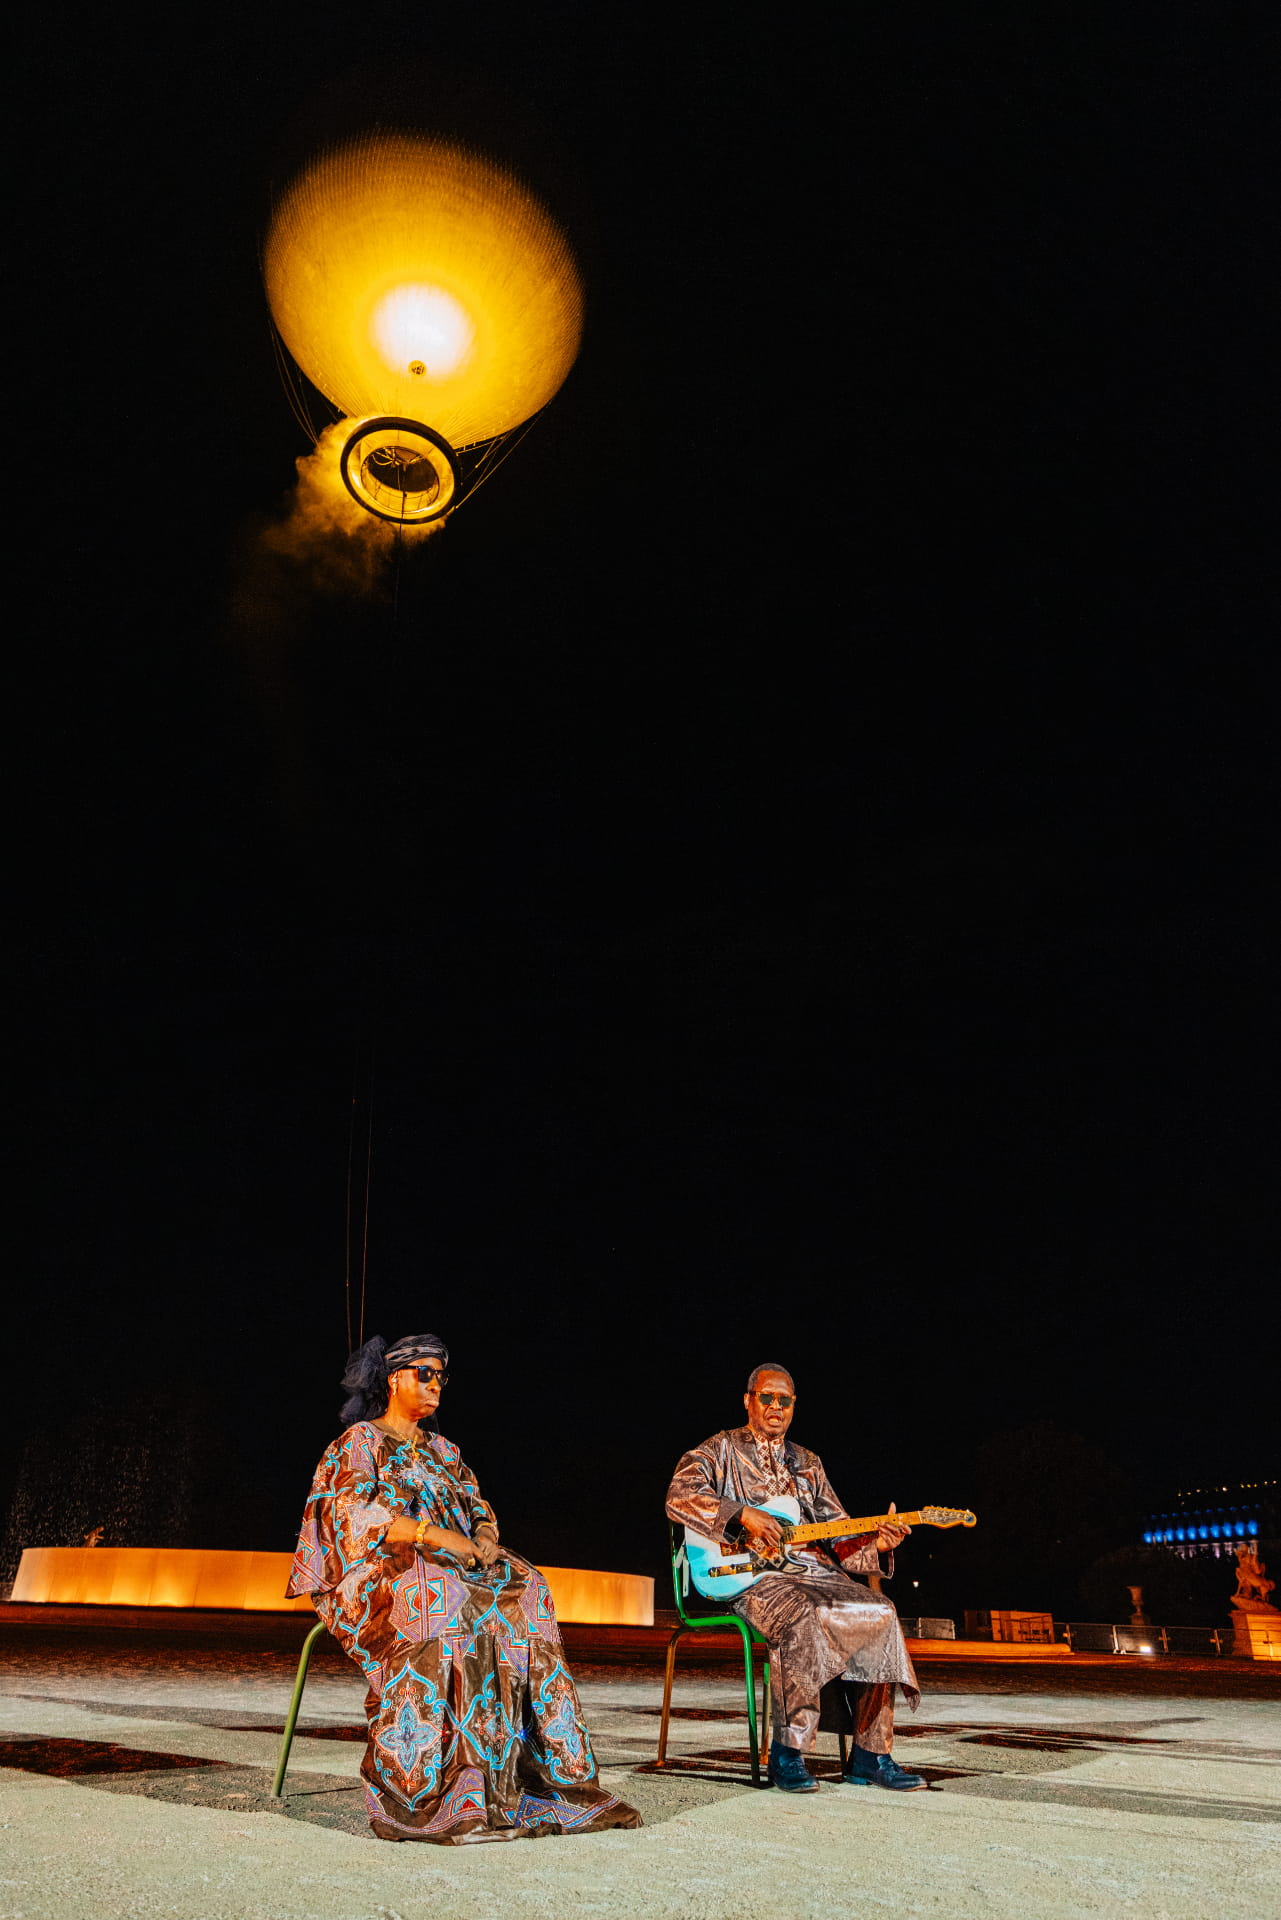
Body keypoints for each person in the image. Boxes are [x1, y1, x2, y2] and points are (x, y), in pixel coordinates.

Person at [287, 1332, 641, 1842]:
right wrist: (433, 1535)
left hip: (455, 1565)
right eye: (424, 1374)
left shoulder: (446, 1450)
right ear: (395, 1380)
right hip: (382, 1572)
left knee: (528, 1585)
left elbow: (478, 1506)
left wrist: (485, 1537)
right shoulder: (360, 1442)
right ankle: (439, 1785)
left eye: (441, 1377)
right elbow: (352, 1516)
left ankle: (533, 1776)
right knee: (446, 1597)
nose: (435, 1385)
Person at [665, 1362, 925, 1792]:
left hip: (811, 1571)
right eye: (766, 1397)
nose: (775, 1406)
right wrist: (742, 1514)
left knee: (880, 1610)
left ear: (793, 1406)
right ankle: (787, 1753)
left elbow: (838, 1531)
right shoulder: (718, 1450)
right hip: (748, 1577)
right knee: (803, 1613)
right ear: (748, 1401)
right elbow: (679, 1497)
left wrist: (877, 1544)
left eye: (784, 1400)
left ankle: (871, 1755)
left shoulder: (808, 1464)